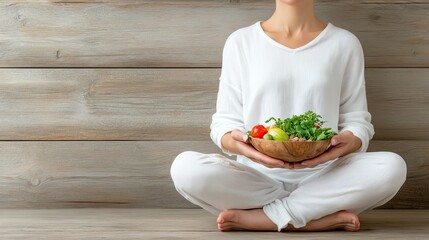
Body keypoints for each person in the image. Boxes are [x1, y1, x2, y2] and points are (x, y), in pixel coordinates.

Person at [170, 0, 407, 232]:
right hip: (254, 179)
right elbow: (223, 123)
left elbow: (357, 121)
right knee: (185, 168)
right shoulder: (241, 41)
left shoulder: (344, 43)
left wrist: (349, 141)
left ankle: (267, 218)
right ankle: (312, 216)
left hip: (325, 177)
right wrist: (243, 146)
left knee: (391, 167)